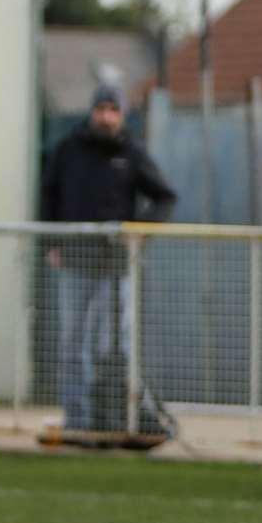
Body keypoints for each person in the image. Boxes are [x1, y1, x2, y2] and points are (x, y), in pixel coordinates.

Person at [40, 81, 176, 430]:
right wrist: (50, 244)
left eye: (112, 110)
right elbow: (48, 196)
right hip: (75, 261)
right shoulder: (68, 149)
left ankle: (118, 417)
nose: (105, 116)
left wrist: (140, 229)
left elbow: (164, 197)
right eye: (100, 109)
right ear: (91, 111)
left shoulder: (131, 152)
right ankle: (78, 419)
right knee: (73, 343)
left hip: (117, 266)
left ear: (121, 114)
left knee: (113, 345)